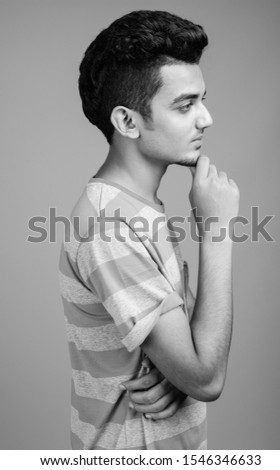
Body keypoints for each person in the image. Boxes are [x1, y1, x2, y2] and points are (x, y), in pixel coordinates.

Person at [59, 9, 239, 450]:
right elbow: (208, 376)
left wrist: (178, 377)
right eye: (185, 105)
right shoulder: (111, 227)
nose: (206, 119)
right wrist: (216, 231)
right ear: (127, 122)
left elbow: (196, 349)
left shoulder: (140, 210)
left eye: (202, 99)